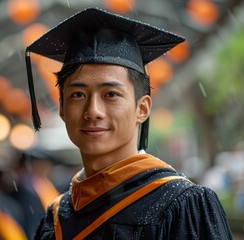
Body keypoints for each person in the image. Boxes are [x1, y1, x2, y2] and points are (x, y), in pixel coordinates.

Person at [24, 7, 233, 239]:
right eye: (78, 95)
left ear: (142, 109)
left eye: (111, 94)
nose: (93, 111)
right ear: (62, 108)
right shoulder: (56, 216)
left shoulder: (181, 205)